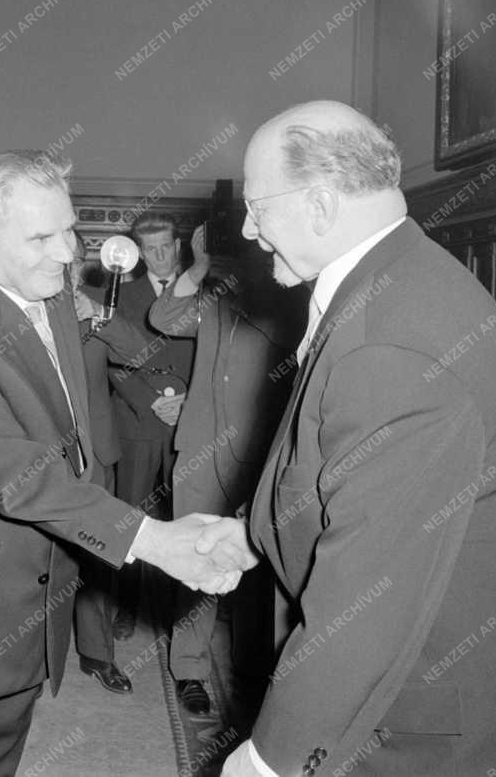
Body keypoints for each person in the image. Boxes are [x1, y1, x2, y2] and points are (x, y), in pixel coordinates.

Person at [0, 150, 255, 775]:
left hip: (34, 584)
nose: (66, 251)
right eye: (41, 237)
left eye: (70, 230)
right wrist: (152, 539)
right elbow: (12, 471)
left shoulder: (46, 289)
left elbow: (70, 432)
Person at [198, 101, 496, 776]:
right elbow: (351, 481)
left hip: (405, 719)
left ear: (318, 205)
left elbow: (366, 599)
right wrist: (256, 533)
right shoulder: (398, 279)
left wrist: (270, 760)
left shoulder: (391, 343)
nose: (249, 230)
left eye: (257, 208)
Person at [149, 224, 302, 715]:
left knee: (257, 570)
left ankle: (254, 675)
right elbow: (163, 317)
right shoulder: (213, 297)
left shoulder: (290, 297)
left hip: (258, 456)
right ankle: (189, 669)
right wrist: (198, 270)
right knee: (195, 558)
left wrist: (247, 279)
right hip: (198, 451)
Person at [108, 212, 195, 646]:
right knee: (131, 521)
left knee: (187, 517)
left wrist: (189, 402)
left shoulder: (201, 292)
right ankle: (125, 606)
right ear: (139, 253)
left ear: (178, 246)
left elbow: (215, 358)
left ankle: (182, 612)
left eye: (166, 247)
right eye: (151, 249)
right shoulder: (121, 295)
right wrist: (151, 401)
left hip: (188, 423)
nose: (160, 257)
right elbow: (111, 363)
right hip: (139, 422)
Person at [70, 236, 152, 695]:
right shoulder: (17, 305)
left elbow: (139, 352)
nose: (63, 269)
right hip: (37, 453)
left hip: (96, 454)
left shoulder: (95, 303)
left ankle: (97, 654)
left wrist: (98, 314)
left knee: (99, 555)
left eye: (71, 261)